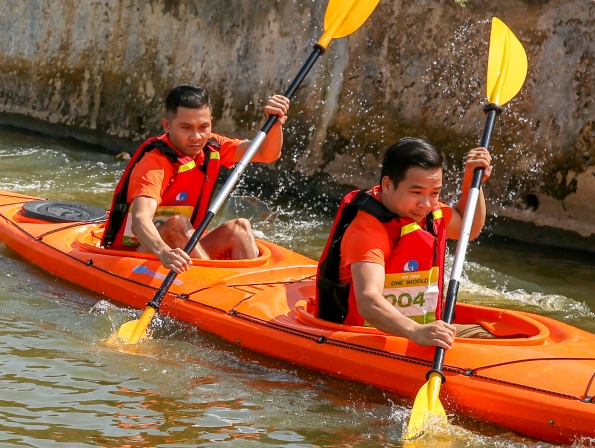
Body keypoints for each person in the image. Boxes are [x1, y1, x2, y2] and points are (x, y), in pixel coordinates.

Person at [314, 137, 493, 348]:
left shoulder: (429, 213)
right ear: (388, 185)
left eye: (435, 193)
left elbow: (468, 229)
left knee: (491, 336)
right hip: (369, 338)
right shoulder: (367, 231)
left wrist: (473, 182)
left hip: (421, 331)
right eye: (416, 192)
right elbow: (368, 301)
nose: (425, 203)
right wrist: (415, 331)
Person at [102, 85, 291, 271]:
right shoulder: (154, 163)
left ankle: (245, 286)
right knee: (178, 224)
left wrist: (275, 124)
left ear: (211, 122)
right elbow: (140, 221)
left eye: (203, 127)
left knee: (240, 227)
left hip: (181, 243)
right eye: (186, 127)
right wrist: (164, 253)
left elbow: (266, 154)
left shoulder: (212, 147)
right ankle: (212, 284)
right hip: (136, 253)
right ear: (167, 126)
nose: (196, 136)